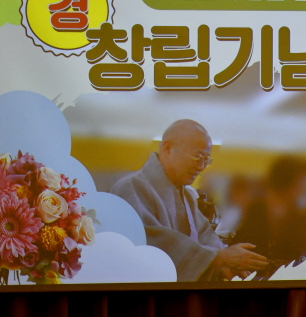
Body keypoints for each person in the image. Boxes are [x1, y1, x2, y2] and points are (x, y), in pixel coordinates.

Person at [110, 119, 268, 281]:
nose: (201, 167)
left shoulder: (187, 196)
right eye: (197, 157)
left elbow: (206, 238)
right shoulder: (131, 187)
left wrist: (222, 266)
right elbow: (147, 243)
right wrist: (217, 258)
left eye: (206, 160)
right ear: (168, 149)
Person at [231, 155, 306, 277]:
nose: (304, 186)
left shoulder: (296, 212)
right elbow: (240, 244)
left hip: (283, 278)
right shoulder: (257, 207)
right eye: (302, 181)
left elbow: (304, 248)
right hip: (253, 277)